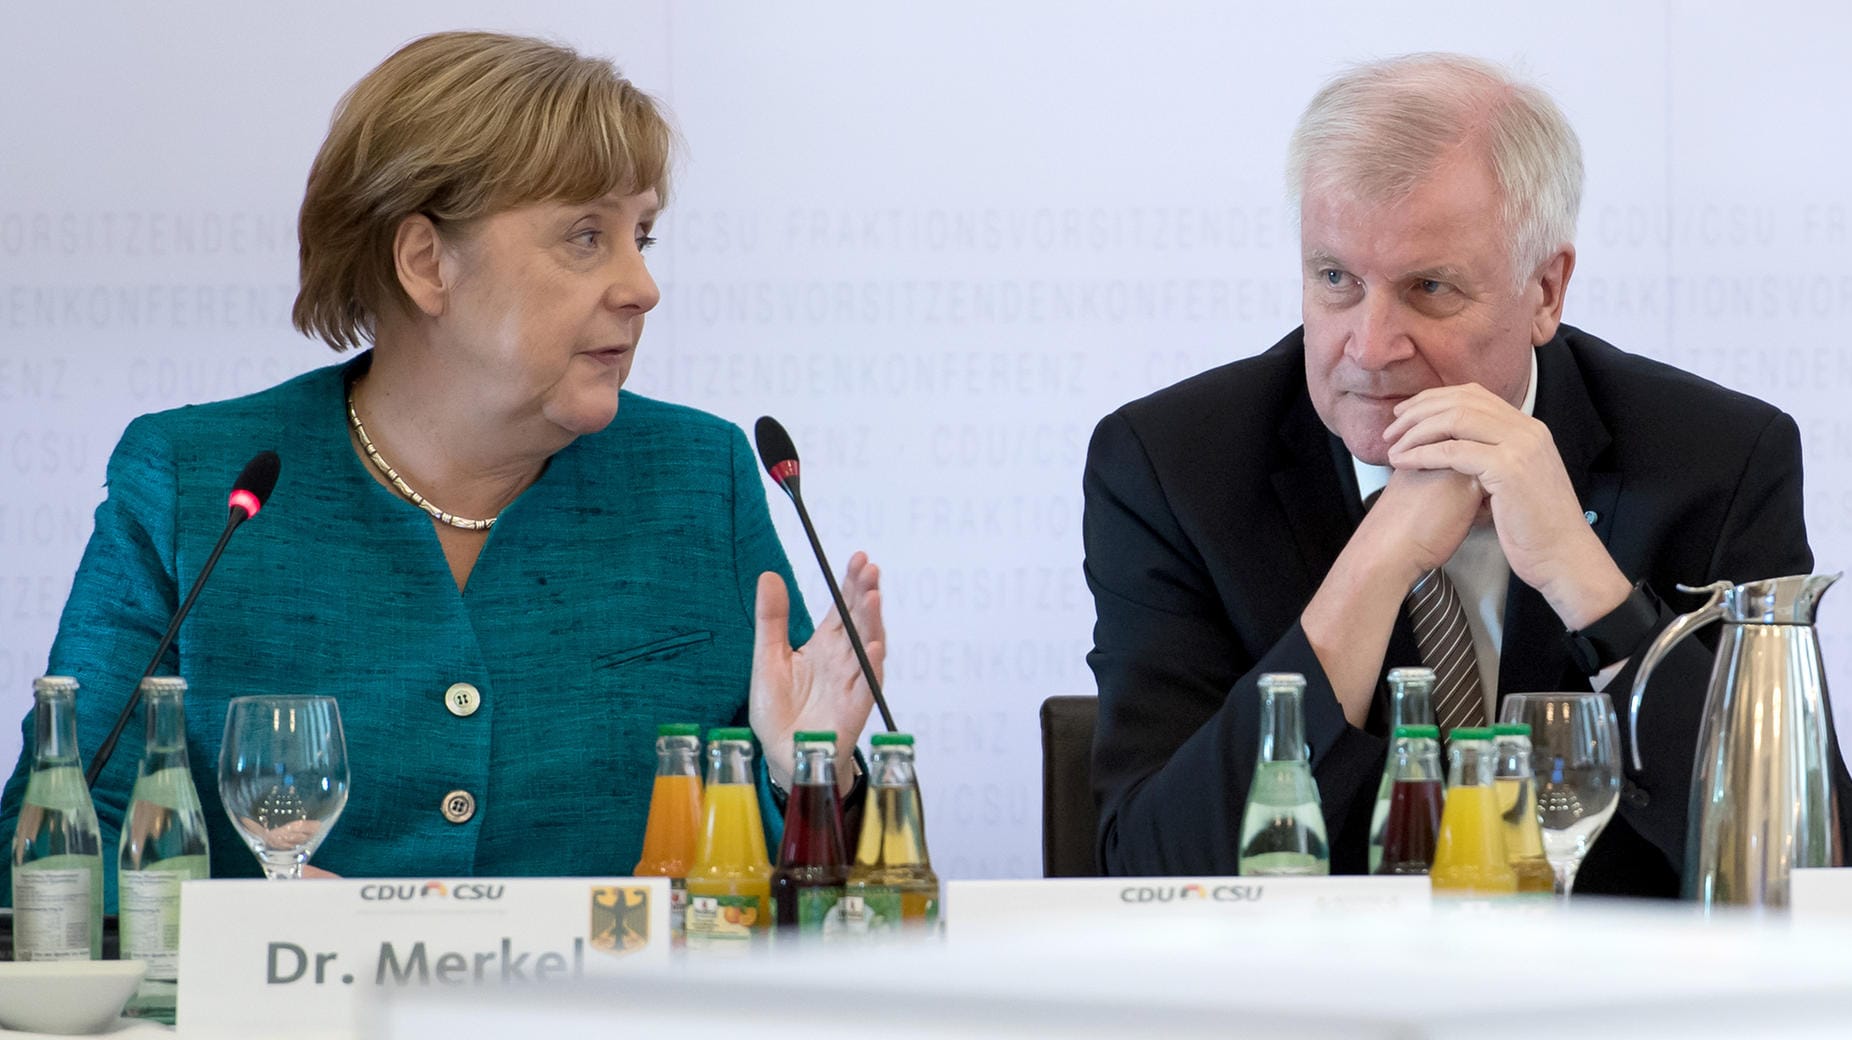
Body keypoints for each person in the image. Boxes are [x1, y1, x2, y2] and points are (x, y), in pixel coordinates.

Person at [0, 32, 882, 903]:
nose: (641, 286)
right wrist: (249, 922)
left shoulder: (702, 478)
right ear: (426, 263)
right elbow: (49, 847)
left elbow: (805, 894)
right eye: (585, 235)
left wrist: (807, 777)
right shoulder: (199, 487)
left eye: (640, 235)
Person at [1083, 53, 1852, 895]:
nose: (1371, 348)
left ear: (1546, 289)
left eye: (1430, 289)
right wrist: (1376, 564)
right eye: (1335, 278)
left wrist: (1584, 581)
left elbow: (1799, 867)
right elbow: (1151, 874)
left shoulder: (1717, 460)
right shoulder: (1173, 468)